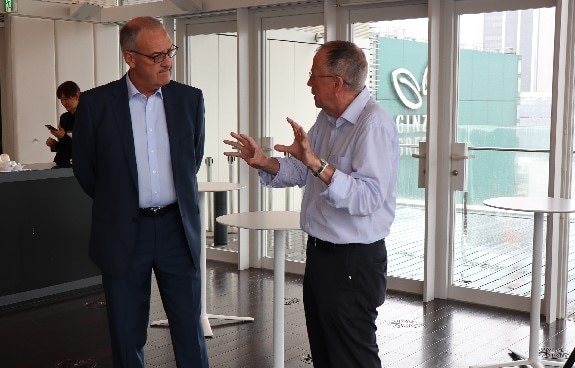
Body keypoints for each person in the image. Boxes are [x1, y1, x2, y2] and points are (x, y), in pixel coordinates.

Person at [224, 40, 399, 368]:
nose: (308, 83)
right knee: (326, 355)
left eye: (313, 75)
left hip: (353, 262)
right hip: (322, 256)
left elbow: (369, 198)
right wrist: (264, 162)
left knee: (352, 358)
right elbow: (303, 169)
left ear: (337, 82)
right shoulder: (328, 119)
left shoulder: (372, 125)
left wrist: (319, 165)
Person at [72, 16, 208, 368]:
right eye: (157, 55)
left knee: (189, 330)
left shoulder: (189, 100)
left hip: (177, 230)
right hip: (122, 231)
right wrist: (120, 203)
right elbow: (87, 172)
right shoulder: (96, 105)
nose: (167, 61)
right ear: (130, 58)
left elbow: (190, 162)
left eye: (170, 51)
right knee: (126, 331)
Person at [46, 81, 80, 167]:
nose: (63, 103)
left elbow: (82, 148)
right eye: (61, 99)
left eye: (66, 99)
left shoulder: (86, 118)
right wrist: (54, 145)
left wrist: (63, 137)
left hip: (77, 165)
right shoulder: (64, 117)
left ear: (77, 96)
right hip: (61, 162)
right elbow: (64, 146)